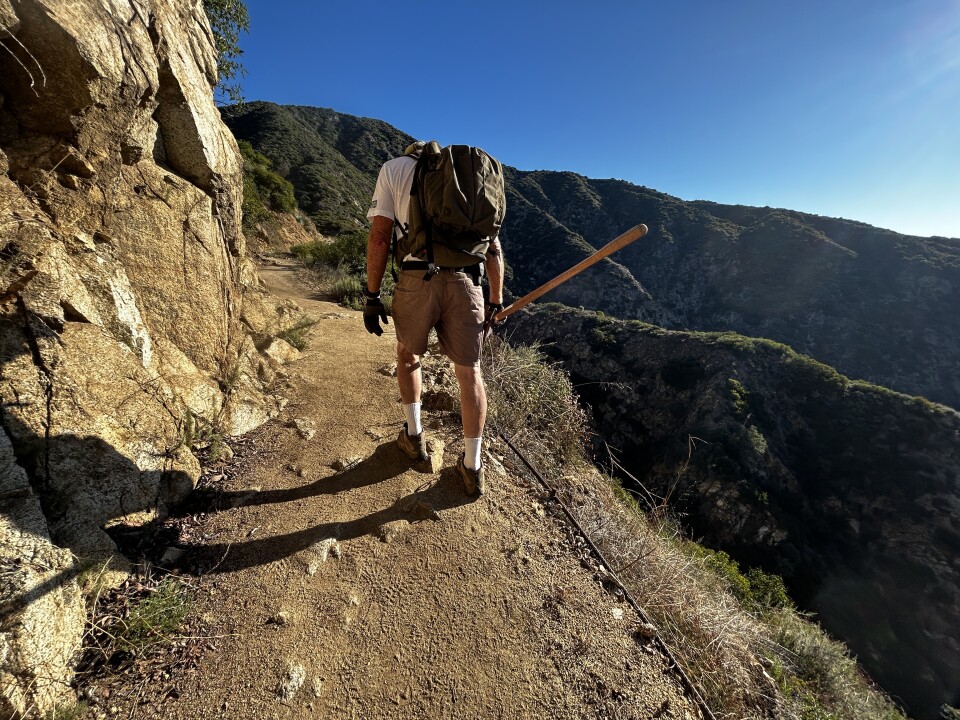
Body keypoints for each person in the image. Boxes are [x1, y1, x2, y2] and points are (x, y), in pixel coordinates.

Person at [363, 141, 505, 497]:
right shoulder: (469, 182)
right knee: (470, 372)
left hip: (416, 278)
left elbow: (380, 237)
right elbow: (494, 249)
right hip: (467, 283)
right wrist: (495, 301)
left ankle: (414, 437)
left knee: (408, 355)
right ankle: (472, 467)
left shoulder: (393, 169)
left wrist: (371, 295)